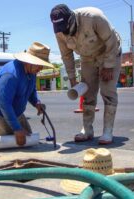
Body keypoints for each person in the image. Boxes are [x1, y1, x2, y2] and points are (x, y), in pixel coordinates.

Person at [50, 4, 122, 145]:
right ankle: (87, 130)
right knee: (87, 92)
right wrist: (72, 79)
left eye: (65, 27)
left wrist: (108, 66)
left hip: (108, 52)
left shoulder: (93, 17)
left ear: (71, 18)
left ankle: (107, 131)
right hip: (87, 57)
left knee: (108, 90)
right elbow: (66, 55)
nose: (63, 32)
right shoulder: (59, 31)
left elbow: (111, 41)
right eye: (60, 29)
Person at [0, 42, 54, 146]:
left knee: (26, 139)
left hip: (14, 110)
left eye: (42, 65)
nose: (41, 69)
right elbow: (4, 104)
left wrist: (36, 102)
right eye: (39, 65)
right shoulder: (11, 75)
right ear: (29, 61)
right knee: (5, 143)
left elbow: (31, 90)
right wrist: (16, 128)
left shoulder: (32, 72)